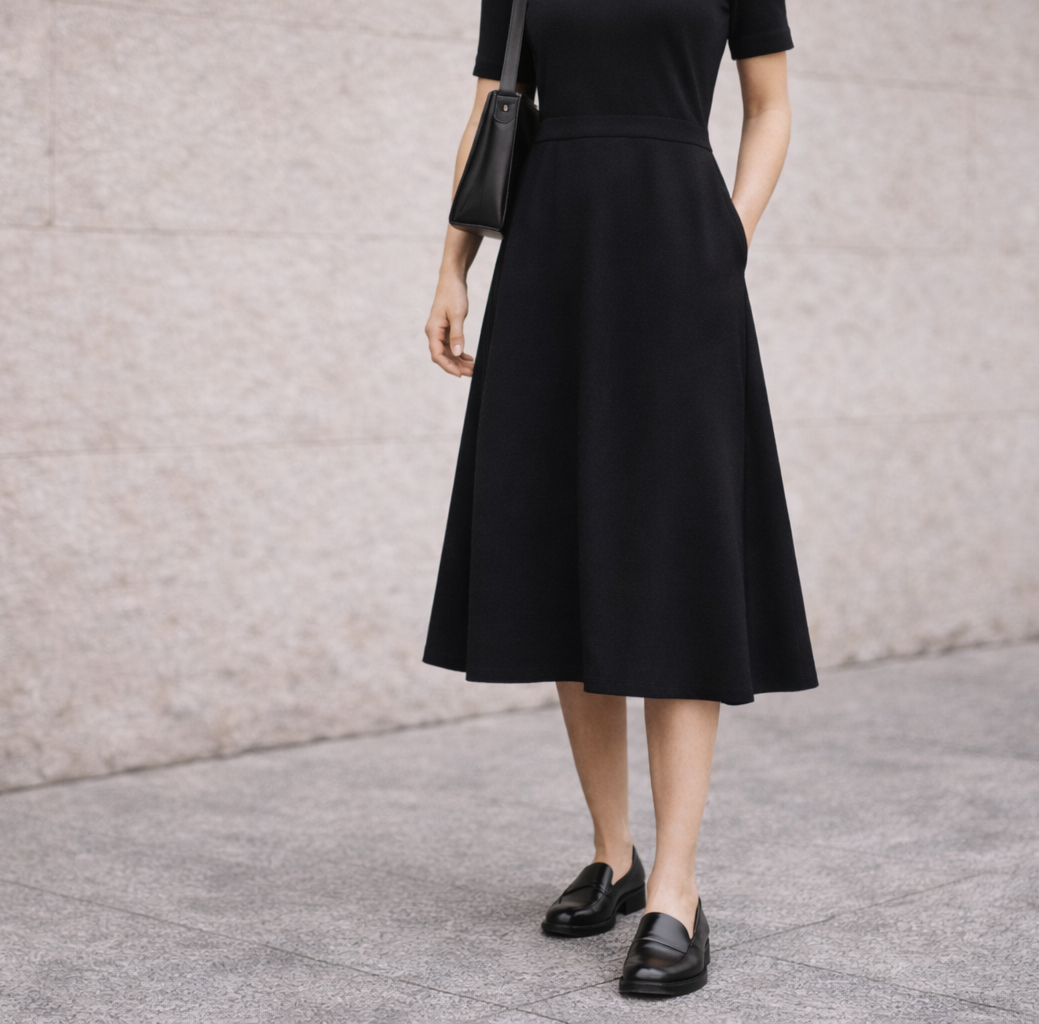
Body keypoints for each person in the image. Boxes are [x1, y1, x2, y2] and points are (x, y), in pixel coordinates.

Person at [421, 0, 820, 999]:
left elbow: (769, 105)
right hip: (551, 256)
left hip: (682, 255)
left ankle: (676, 893)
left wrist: (726, 235)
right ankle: (614, 852)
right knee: (568, 547)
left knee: (675, 556)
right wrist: (453, 265)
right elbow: (494, 101)